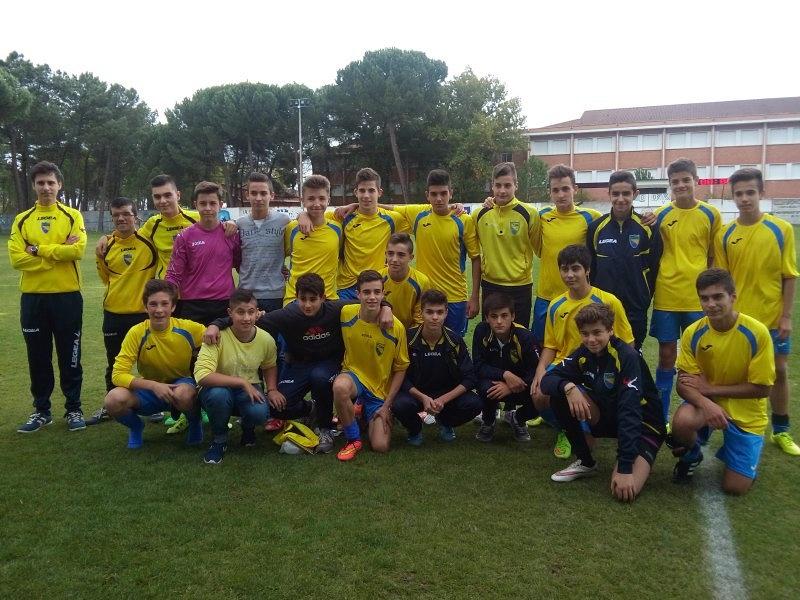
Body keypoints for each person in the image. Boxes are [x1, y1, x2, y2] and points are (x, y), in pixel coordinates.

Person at [204, 273, 394, 453]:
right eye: (303, 299)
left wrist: (386, 307)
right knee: (278, 406)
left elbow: (367, 302)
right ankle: (311, 409)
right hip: (299, 365)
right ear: (296, 297)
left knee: (319, 377)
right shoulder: (288, 315)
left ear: (324, 297)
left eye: (313, 300)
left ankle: (325, 427)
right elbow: (248, 318)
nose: (308, 305)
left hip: (329, 364)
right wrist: (215, 324)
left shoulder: (336, 309)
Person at [541, 304, 665, 502]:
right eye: (585, 333)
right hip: (609, 417)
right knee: (559, 394)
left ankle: (639, 455)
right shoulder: (583, 353)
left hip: (644, 425)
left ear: (610, 330)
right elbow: (547, 381)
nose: (591, 340)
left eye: (597, 332)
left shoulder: (627, 357)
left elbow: (630, 411)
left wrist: (625, 467)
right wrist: (569, 387)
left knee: (623, 492)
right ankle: (585, 461)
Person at [714, 167, 799, 456]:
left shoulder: (781, 230)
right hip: (739, 321)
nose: (744, 199)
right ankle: (738, 430)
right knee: (739, 378)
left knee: (779, 371)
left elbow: (789, 275)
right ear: (733, 197)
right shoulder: (726, 234)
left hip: (773, 318)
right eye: (739, 193)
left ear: (761, 193)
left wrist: (786, 315)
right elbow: (722, 282)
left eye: (750, 192)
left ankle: (782, 430)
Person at [670, 269, 775, 495]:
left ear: (733, 297)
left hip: (748, 414)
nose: (711, 304)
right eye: (705, 298)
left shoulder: (757, 333)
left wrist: (711, 389)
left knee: (735, 488)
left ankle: (739, 452)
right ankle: (693, 454)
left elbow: (763, 389)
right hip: (708, 403)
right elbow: (683, 384)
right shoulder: (693, 333)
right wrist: (707, 402)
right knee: (682, 422)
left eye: (718, 297)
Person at [532, 244, 634, 459]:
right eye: (564, 269)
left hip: (598, 365)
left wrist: (622, 373)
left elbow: (627, 343)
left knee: (586, 446)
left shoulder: (608, 301)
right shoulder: (556, 304)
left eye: (575, 268)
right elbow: (551, 345)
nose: (569, 275)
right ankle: (565, 428)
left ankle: (588, 428)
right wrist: (541, 370)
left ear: (587, 270)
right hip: (566, 365)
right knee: (540, 393)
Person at [9, 161, 88, 433]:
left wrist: (37, 250)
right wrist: (53, 255)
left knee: (71, 355)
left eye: (50, 182)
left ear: (59, 185)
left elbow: (76, 251)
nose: (46, 187)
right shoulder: (22, 220)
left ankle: (74, 409)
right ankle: (41, 411)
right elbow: (16, 259)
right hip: (33, 299)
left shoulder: (72, 216)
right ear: (34, 186)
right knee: (38, 356)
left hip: (67, 297)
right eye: (41, 183)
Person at [361, 169, 481, 336]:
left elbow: (475, 258)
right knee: (424, 345)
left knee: (454, 345)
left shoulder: (463, 220)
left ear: (451, 193)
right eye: (434, 194)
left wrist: (475, 296)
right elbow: (388, 207)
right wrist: (356, 205)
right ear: (427, 195)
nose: (439, 199)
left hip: (455, 297)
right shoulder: (418, 214)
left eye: (443, 193)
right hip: (424, 297)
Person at [651, 158, 722, 427]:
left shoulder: (711, 214)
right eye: (675, 181)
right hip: (667, 295)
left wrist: (711, 294)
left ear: (696, 181)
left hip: (698, 299)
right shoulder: (661, 215)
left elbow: (714, 256)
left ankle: (697, 413)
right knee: (667, 354)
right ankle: (661, 416)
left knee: (700, 357)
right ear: (670, 185)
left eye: (685, 180)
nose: (680, 185)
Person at [103, 279, 205, 449]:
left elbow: (216, 335)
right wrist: (153, 386)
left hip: (181, 385)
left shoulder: (188, 328)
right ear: (145, 306)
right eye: (153, 304)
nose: (159, 310)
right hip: (150, 390)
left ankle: (195, 422)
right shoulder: (136, 332)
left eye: (164, 304)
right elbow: (117, 374)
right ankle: (136, 427)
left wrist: (216, 327)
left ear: (173, 306)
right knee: (113, 400)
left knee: (184, 394)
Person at [87, 197, 157, 425]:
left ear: (136, 216)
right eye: (116, 215)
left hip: (141, 313)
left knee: (149, 362)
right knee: (115, 361)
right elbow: (105, 278)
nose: (121, 218)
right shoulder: (106, 246)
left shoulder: (149, 242)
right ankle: (112, 403)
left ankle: (153, 405)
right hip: (113, 312)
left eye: (126, 213)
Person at [333, 270, 409, 461]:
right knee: (340, 387)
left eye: (377, 292)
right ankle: (353, 439)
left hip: (379, 391)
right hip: (354, 376)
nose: (372, 297)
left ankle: (360, 410)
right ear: (357, 294)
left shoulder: (396, 327)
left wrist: (386, 405)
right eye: (366, 292)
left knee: (380, 446)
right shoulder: (346, 313)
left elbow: (400, 369)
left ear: (383, 294)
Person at [194, 289, 277, 464]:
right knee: (219, 395)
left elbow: (269, 365)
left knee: (260, 413)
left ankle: (248, 428)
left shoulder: (266, 339)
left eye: (250, 312)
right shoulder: (216, 336)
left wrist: (272, 389)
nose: (246, 318)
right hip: (216, 388)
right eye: (240, 312)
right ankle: (219, 440)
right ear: (230, 313)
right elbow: (202, 376)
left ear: (257, 313)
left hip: (248, 387)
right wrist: (241, 382)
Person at [392, 290, 482, 444]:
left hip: (445, 396)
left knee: (475, 403)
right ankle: (415, 429)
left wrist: (443, 400)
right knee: (399, 404)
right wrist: (423, 397)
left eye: (439, 312)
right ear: (421, 313)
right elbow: (400, 375)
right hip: (417, 394)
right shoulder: (408, 338)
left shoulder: (455, 340)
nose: (435, 317)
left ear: (446, 313)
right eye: (430, 312)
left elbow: (470, 378)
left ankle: (445, 422)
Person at [587, 171, 661, 348]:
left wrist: (644, 297)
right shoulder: (596, 228)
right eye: (616, 194)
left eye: (626, 193)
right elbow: (591, 268)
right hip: (603, 308)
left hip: (636, 307)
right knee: (604, 354)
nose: (621, 199)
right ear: (609, 194)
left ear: (635, 194)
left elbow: (655, 267)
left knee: (633, 353)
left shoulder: (647, 227)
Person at [309, 168, 409, 299]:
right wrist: (304, 216)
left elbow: (418, 218)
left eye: (371, 190)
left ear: (379, 192)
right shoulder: (343, 216)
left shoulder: (393, 219)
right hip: (347, 287)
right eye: (362, 190)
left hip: (375, 287)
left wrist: (357, 204)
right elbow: (314, 215)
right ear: (356, 192)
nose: (366, 195)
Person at [532, 164, 601, 342]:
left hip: (577, 296)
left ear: (575, 189)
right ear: (550, 192)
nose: (561, 194)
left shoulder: (591, 217)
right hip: (546, 297)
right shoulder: (542, 216)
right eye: (555, 190)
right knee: (541, 347)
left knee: (578, 347)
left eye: (565, 189)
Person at [475, 162, 540, 328]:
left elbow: (540, 250)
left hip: (520, 287)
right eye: (498, 185)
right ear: (492, 186)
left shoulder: (529, 214)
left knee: (519, 336)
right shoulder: (480, 214)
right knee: (491, 336)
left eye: (507, 185)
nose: (502, 190)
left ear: (516, 186)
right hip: (490, 285)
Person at [166, 181, 241, 325]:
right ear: (196, 205)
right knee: (193, 347)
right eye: (203, 203)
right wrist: (166, 299)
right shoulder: (185, 236)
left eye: (212, 203)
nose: (207, 208)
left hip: (224, 303)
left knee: (222, 346)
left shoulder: (231, 234)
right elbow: (173, 274)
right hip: (192, 304)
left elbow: (241, 264)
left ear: (220, 204)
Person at [472, 293, 538, 443]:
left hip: (521, 385)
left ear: (513, 316)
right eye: (494, 316)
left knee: (541, 393)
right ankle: (488, 421)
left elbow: (536, 371)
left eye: (504, 316)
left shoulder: (525, 337)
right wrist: (505, 374)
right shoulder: (481, 331)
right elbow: (478, 365)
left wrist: (511, 386)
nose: (499, 321)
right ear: (487, 318)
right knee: (483, 386)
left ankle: (518, 418)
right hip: (495, 383)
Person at [284, 175, 342, 303]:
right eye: (311, 198)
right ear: (303, 200)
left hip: (328, 298)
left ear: (329, 200)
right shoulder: (292, 228)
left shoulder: (337, 229)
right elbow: (279, 256)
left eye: (321, 198)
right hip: (295, 299)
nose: (316, 204)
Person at [237, 172, 290, 313]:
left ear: (271, 195)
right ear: (247, 195)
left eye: (263, 193)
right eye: (253, 193)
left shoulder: (284, 221)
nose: (258, 198)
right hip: (246, 294)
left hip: (274, 294)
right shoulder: (240, 224)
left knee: (272, 335)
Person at [379, 232, 431, 329]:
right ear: (385, 254)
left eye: (401, 255)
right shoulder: (378, 278)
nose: (394, 259)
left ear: (410, 257)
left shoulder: (422, 281)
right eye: (390, 253)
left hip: (409, 333)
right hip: (383, 330)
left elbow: (420, 319)